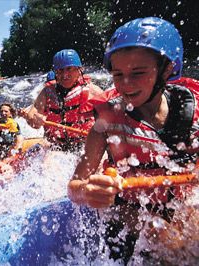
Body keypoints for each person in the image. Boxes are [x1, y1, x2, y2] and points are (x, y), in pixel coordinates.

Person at [67, 17, 199, 263]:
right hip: (129, 211)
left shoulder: (195, 106)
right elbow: (74, 186)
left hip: (184, 204)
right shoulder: (105, 120)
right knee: (171, 241)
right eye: (118, 74)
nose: (125, 85)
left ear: (167, 69)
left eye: (137, 73)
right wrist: (87, 191)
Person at [20, 49, 103, 151]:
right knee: (49, 165)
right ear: (55, 73)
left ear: (79, 69)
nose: (64, 75)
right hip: (56, 146)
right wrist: (34, 119)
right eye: (60, 70)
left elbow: (113, 117)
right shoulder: (47, 92)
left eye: (69, 69)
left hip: (86, 144)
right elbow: (33, 115)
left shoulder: (92, 91)